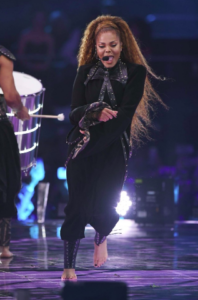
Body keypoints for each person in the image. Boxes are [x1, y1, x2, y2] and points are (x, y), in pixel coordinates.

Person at [60, 15, 165, 280]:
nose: (108, 51)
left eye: (113, 45)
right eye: (102, 46)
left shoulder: (135, 72)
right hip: (81, 145)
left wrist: (99, 138)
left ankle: (101, 234)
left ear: (122, 45)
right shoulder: (84, 72)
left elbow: (125, 115)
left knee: (105, 205)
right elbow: (74, 113)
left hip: (113, 147)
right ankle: (68, 268)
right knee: (76, 205)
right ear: (94, 48)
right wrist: (93, 112)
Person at [0, 45, 30, 258]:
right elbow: (10, 95)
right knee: (5, 181)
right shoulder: (3, 57)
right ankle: (3, 247)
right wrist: (21, 110)